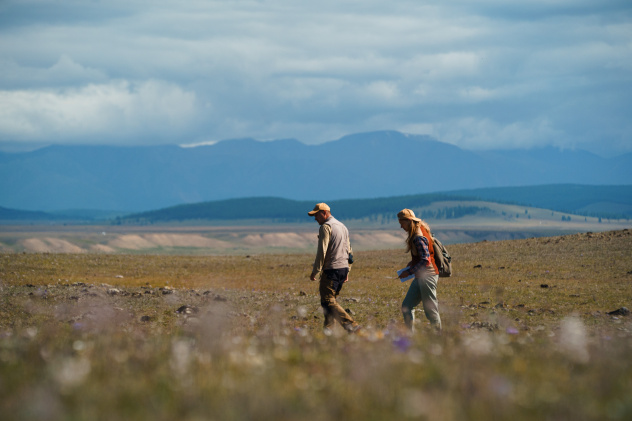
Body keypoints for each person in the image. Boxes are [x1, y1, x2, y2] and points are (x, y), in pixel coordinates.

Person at [308, 203, 361, 333]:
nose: (315, 218)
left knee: (328, 301)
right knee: (329, 302)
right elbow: (349, 251)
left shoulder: (326, 227)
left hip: (331, 269)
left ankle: (352, 326)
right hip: (342, 268)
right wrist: (348, 269)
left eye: (316, 215)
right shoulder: (342, 226)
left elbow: (322, 251)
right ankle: (328, 332)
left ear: (324, 213)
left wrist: (316, 270)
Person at [397, 208, 442, 331]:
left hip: (427, 276)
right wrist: (413, 263)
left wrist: (409, 271)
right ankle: (409, 335)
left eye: (402, 223)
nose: (401, 227)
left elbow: (425, 260)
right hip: (420, 276)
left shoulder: (418, 237)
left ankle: (438, 337)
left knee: (430, 309)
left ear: (408, 221)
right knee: (407, 305)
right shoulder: (421, 230)